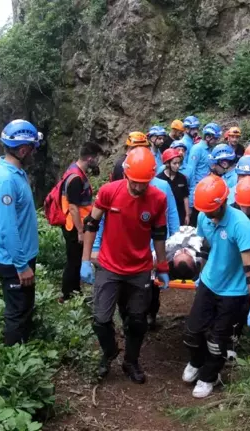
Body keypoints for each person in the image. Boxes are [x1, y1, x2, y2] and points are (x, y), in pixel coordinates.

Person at [80, 146, 170, 384]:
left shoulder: (158, 198)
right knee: (101, 319)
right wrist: (85, 259)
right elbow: (91, 223)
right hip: (109, 265)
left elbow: (159, 233)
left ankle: (131, 360)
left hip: (139, 268)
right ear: (126, 175)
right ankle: (109, 352)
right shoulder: (109, 192)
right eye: (135, 182)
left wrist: (162, 265)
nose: (139, 187)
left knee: (137, 320)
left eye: (144, 182)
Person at [182, 175, 250, 398]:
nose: (208, 216)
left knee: (217, 341)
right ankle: (196, 363)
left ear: (222, 203)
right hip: (209, 282)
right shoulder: (203, 216)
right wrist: (200, 271)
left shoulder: (240, 225)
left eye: (211, 212)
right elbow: (204, 246)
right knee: (192, 332)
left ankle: (210, 377)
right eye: (205, 212)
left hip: (233, 291)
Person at [0, 119, 41, 346]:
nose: (34, 153)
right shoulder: (5, 180)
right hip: (14, 261)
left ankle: (25, 349)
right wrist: (21, 266)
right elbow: (8, 228)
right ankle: (14, 360)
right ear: (23, 149)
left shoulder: (17, 173)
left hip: (24, 256)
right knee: (17, 312)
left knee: (25, 307)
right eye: (33, 148)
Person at [58, 145, 101, 302]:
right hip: (74, 225)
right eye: (96, 158)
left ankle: (74, 292)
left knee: (75, 259)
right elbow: (73, 208)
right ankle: (69, 295)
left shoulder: (75, 171)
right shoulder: (75, 178)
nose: (97, 161)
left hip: (77, 224)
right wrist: (80, 231)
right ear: (90, 158)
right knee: (74, 261)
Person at [187, 123, 223, 226]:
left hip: (208, 189)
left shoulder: (211, 149)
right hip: (198, 190)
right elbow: (191, 172)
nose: (216, 141)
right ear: (208, 137)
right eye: (215, 139)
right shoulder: (197, 149)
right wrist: (191, 199)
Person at [158, 148, 190, 225]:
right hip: (165, 214)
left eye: (179, 163)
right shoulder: (159, 179)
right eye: (174, 163)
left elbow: (185, 197)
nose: (178, 166)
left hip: (180, 213)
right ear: (167, 164)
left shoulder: (182, 178)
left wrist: (187, 215)